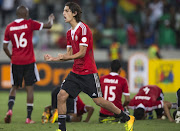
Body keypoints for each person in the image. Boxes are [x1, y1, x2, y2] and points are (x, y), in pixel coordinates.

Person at [44, 2, 134, 131]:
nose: (63, 13)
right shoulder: (69, 33)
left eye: (67, 11)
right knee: (61, 95)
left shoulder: (84, 29)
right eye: (63, 10)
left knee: (99, 101)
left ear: (74, 13)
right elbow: (68, 54)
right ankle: (61, 129)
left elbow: (82, 53)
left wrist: (65, 57)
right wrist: (53, 58)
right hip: (76, 72)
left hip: (88, 72)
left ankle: (126, 117)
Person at [3, 5, 55, 124]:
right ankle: (28, 118)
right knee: (29, 88)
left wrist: (11, 56)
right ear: (26, 14)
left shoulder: (9, 27)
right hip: (29, 61)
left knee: (14, 87)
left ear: (17, 14)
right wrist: (51, 18)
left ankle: (10, 110)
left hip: (16, 61)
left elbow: (5, 47)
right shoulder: (29, 23)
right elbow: (49, 25)